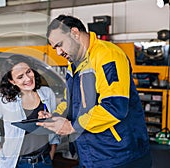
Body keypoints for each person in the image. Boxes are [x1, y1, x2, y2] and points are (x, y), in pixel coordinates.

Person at [37, 15, 152, 167]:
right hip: (90, 153)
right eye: (55, 48)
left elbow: (114, 107)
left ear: (75, 33)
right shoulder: (73, 65)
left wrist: (72, 127)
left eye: (60, 45)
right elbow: (69, 102)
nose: (58, 52)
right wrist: (55, 116)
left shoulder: (107, 55)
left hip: (119, 154)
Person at [0, 55, 60, 168]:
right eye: (20, 77)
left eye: (29, 72)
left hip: (44, 160)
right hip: (17, 162)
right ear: (12, 81)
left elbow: (53, 122)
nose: (28, 78)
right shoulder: (3, 99)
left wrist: (53, 148)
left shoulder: (47, 93)